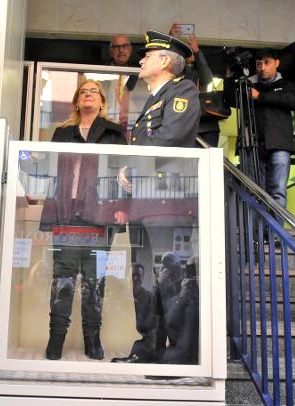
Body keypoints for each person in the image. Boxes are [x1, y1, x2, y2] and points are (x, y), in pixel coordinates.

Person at [111, 31, 201, 366]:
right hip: (145, 206)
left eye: (147, 56)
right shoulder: (153, 98)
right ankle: (149, 348)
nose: (140, 60)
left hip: (169, 204)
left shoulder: (182, 92)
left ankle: (179, 356)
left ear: (165, 61)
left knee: (173, 281)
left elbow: (172, 137)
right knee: (144, 282)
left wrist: (132, 165)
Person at [39, 79, 126, 361]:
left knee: (94, 281)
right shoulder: (62, 133)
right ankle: (56, 341)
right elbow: (50, 171)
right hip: (66, 212)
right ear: (77, 101)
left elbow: (124, 176)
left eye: (94, 92)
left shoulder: (114, 133)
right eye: (83, 92)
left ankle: (92, 339)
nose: (88, 95)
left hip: (99, 217)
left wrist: (121, 209)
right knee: (62, 279)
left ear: (102, 102)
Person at [223, 48, 295, 209]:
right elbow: (229, 100)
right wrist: (229, 76)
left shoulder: (286, 85)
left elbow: (290, 101)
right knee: (255, 191)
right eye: (258, 64)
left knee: (277, 191)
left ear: (277, 63)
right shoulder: (247, 84)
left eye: (267, 63)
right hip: (252, 145)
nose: (262, 67)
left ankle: (275, 233)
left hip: (279, 145)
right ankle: (259, 233)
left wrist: (259, 96)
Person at [168, 25, 220, 147]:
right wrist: (172, 41)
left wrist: (197, 51)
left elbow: (207, 80)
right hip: (184, 123)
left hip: (206, 125)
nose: (189, 51)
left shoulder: (199, 69)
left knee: (208, 162)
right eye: (186, 49)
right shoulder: (179, 70)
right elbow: (170, 68)